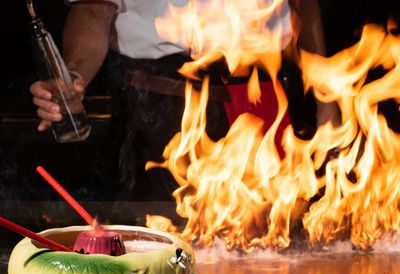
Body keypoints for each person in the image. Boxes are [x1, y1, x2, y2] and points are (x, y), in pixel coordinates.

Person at [30, 0, 339, 200]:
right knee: (168, 254)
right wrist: (74, 77)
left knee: (272, 249)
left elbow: (303, 6)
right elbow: (92, 10)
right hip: (162, 113)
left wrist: (328, 103)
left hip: (264, 100)